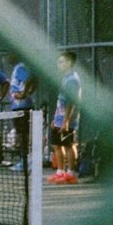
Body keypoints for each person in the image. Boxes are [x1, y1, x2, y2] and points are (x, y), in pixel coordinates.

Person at [48, 51, 82, 185]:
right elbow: (60, 101)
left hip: (68, 119)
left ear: (70, 63)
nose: (59, 65)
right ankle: (60, 172)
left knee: (68, 145)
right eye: (59, 62)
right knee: (56, 145)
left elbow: (71, 102)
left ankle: (71, 174)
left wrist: (66, 121)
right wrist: (56, 118)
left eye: (62, 62)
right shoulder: (65, 78)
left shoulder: (73, 79)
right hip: (59, 117)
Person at [6, 53, 37, 172]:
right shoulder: (18, 68)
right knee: (21, 134)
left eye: (11, 54)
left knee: (23, 135)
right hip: (17, 108)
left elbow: (32, 79)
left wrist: (24, 94)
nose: (9, 57)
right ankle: (24, 161)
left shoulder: (21, 67)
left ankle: (26, 162)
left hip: (22, 108)